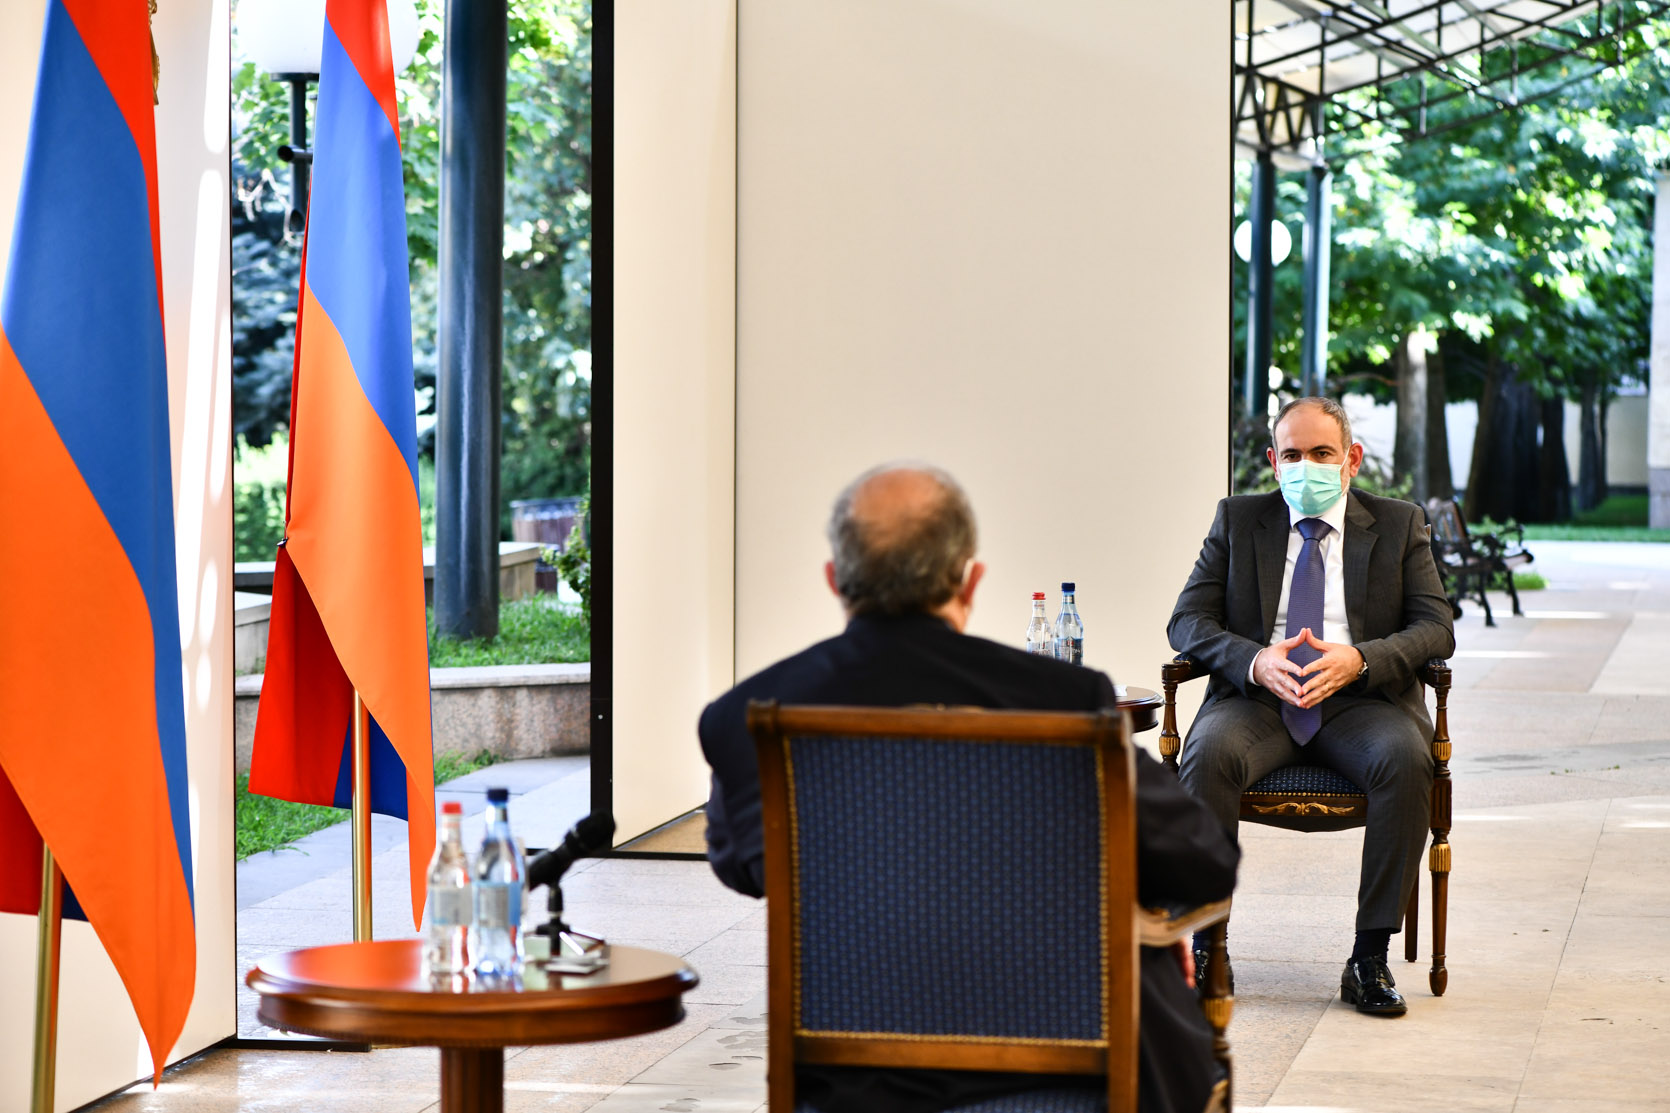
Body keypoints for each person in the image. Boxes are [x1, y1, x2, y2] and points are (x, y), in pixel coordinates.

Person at [700, 462, 1239, 1113]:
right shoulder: (1061, 698)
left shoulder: (743, 718)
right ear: (970, 579)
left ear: (835, 579)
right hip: (1064, 1083)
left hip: (855, 1089)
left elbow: (745, 867)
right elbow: (1205, 860)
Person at [1168, 397, 1455, 1017]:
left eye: (1322, 453)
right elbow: (1187, 621)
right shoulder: (1239, 520)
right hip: (1260, 702)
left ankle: (1368, 958)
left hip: (1361, 702)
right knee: (1208, 753)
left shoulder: (1398, 524)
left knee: (1407, 758)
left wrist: (1360, 659)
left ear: (1351, 459)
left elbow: (1437, 628)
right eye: (1293, 455)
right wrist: (1255, 660)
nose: (1307, 467)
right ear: (1274, 463)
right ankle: (1209, 947)